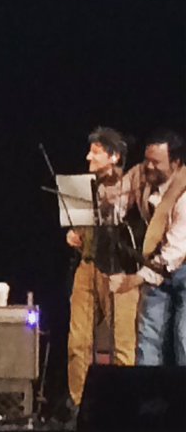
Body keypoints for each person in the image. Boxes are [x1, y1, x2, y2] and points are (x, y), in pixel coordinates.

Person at [64, 127, 138, 411]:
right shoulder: (83, 187)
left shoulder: (131, 186)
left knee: (122, 345)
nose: (88, 158)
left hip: (120, 271)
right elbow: (78, 227)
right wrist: (72, 235)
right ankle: (79, 405)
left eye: (95, 153)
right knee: (77, 343)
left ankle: (124, 408)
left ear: (114, 156)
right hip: (88, 266)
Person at [112, 130, 185, 366]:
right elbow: (116, 203)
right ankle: (150, 399)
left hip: (178, 263)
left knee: (184, 338)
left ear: (175, 163)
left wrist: (136, 279)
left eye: (157, 162)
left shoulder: (184, 196)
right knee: (147, 338)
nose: (149, 167)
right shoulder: (140, 175)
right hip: (157, 264)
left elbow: (174, 253)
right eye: (147, 159)